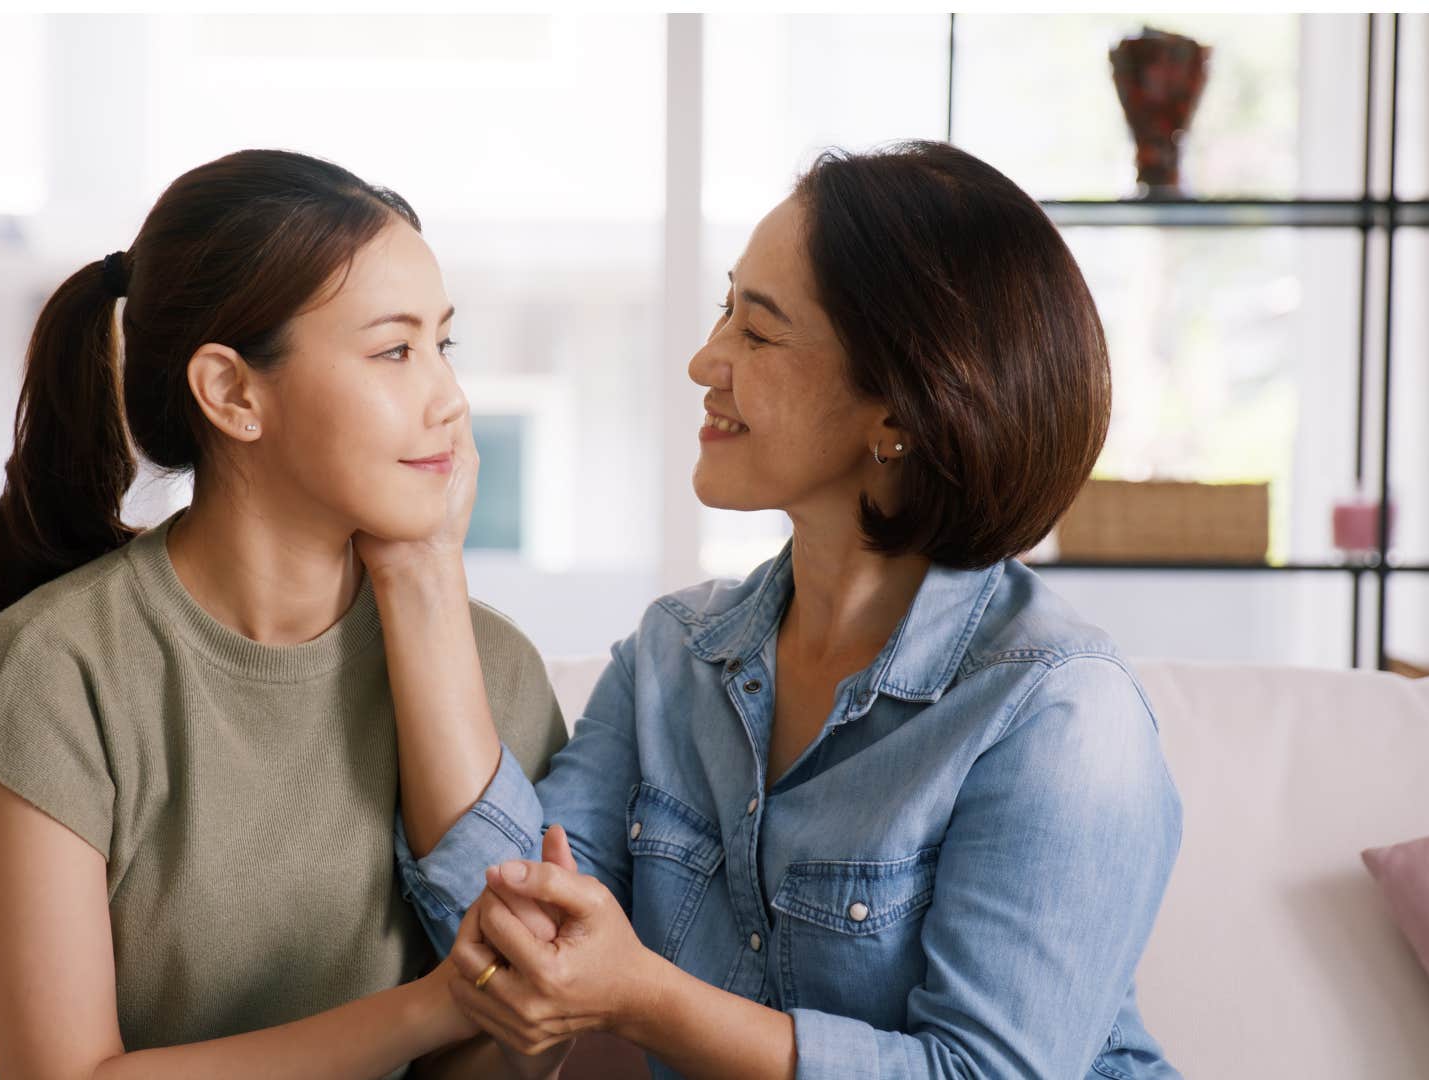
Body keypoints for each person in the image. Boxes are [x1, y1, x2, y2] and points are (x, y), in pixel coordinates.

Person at [392, 140, 1187, 1079]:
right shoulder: (673, 658)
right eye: (724, 310)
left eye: (757, 333)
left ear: (897, 413)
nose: (703, 360)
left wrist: (646, 996)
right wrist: (423, 560)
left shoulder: (1058, 711)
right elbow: (505, 936)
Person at [0, 148, 566, 1079]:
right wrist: (428, 1010)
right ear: (232, 392)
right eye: (394, 350)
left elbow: (521, 1050)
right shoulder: (57, 670)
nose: (451, 400)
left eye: (443, 345)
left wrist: (426, 578)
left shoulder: (493, 669)